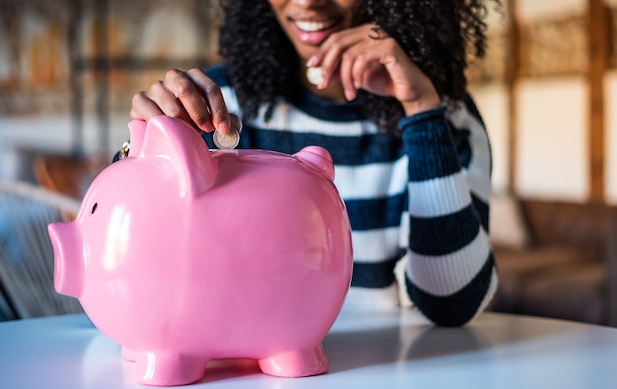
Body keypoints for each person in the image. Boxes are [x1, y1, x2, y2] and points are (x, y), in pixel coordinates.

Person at [129, 0, 501, 327]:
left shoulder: (443, 117)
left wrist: (420, 111)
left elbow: (454, 305)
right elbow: (137, 272)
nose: (308, 2)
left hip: (374, 371)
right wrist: (139, 152)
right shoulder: (214, 106)